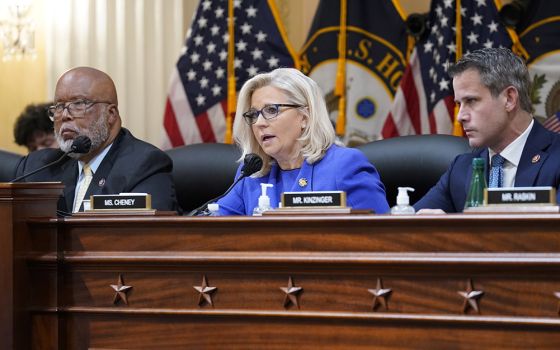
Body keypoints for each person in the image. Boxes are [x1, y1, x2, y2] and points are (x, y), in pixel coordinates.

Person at [216, 68, 389, 215]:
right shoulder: (252, 174)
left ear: (304, 117)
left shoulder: (345, 166)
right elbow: (213, 231)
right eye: (253, 115)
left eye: (271, 110)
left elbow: (385, 237)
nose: (259, 123)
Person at [14, 67, 179, 214]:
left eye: (78, 104)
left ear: (111, 114)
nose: (64, 115)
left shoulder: (145, 165)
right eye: (58, 107)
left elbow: (149, 237)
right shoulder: (36, 168)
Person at [414, 47, 560, 213]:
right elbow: (403, 228)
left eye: (471, 101)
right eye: (458, 104)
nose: (460, 117)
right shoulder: (460, 169)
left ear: (509, 99)